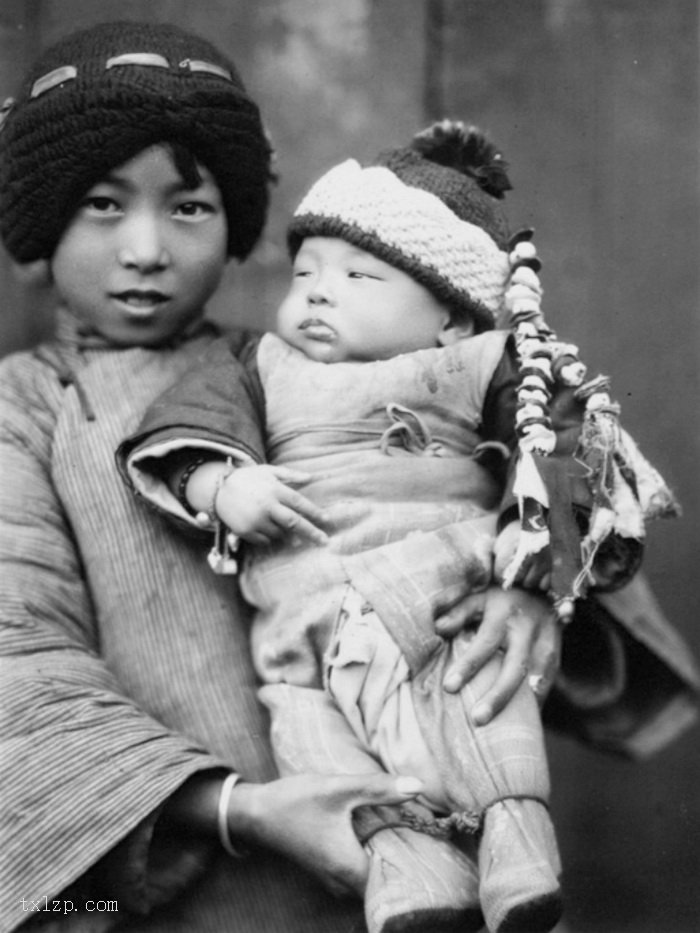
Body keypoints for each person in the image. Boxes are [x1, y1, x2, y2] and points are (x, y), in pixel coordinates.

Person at [0, 20, 568, 933]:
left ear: (234, 225)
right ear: (39, 219)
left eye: (188, 207)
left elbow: (487, 472)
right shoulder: (25, 410)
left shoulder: (308, 368)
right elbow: (16, 664)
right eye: (102, 204)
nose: (146, 248)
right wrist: (244, 809)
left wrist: (528, 590)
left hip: (423, 822)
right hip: (194, 877)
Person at [118, 122, 698, 933]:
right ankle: (411, 871)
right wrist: (219, 482)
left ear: (450, 321)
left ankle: (516, 845)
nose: (319, 291)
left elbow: (568, 441)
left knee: (476, 702)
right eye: (307, 270)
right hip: (302, 625)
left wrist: (535, 579)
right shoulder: (261, 365)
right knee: (314, 738)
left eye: (359, 275)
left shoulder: (478, 362)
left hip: (435, 591)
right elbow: (184, 425)